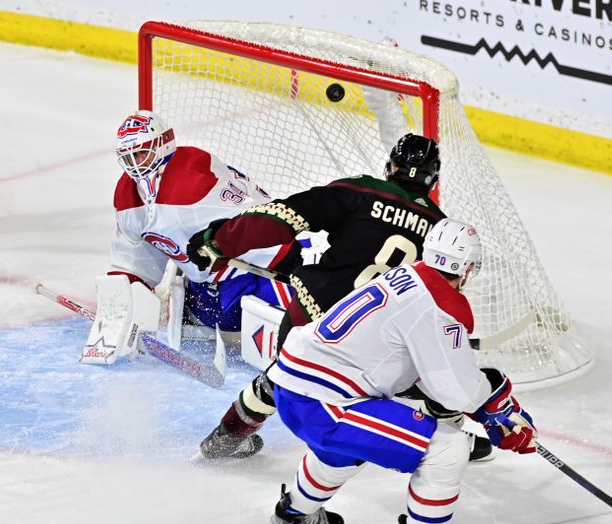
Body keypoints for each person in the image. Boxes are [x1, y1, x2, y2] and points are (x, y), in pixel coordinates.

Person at [187, 134, 491, 462]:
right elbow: (440, 299)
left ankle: (225, 439)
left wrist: (218, 241)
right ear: (433, 180)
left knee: (281, 377)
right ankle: (445, 432)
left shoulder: (362, 191)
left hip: (316, 311)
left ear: (391, 166)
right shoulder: (439, 229)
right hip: (376, 335)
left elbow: (283, 216)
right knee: (414, 365)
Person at [265, 218, 538, 524]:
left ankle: (293, 515)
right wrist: (498, 406)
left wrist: (491, 405)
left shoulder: (405, 275)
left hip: (294, 384)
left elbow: (424, 370)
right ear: (466, 269)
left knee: (342, 449)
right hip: (325, 403)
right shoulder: (439, 305)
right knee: (447, 448)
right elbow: (457, 392)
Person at [84, 111, 298, 457]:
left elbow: (265, 225)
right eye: (128, 157)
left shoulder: (193, 180)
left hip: (253, 275)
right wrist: (123, 303)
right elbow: (134, 255)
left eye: (141, 153)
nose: (135, 165)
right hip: (206, 287)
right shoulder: (128, 194)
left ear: (164, 144)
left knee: (296, 344)